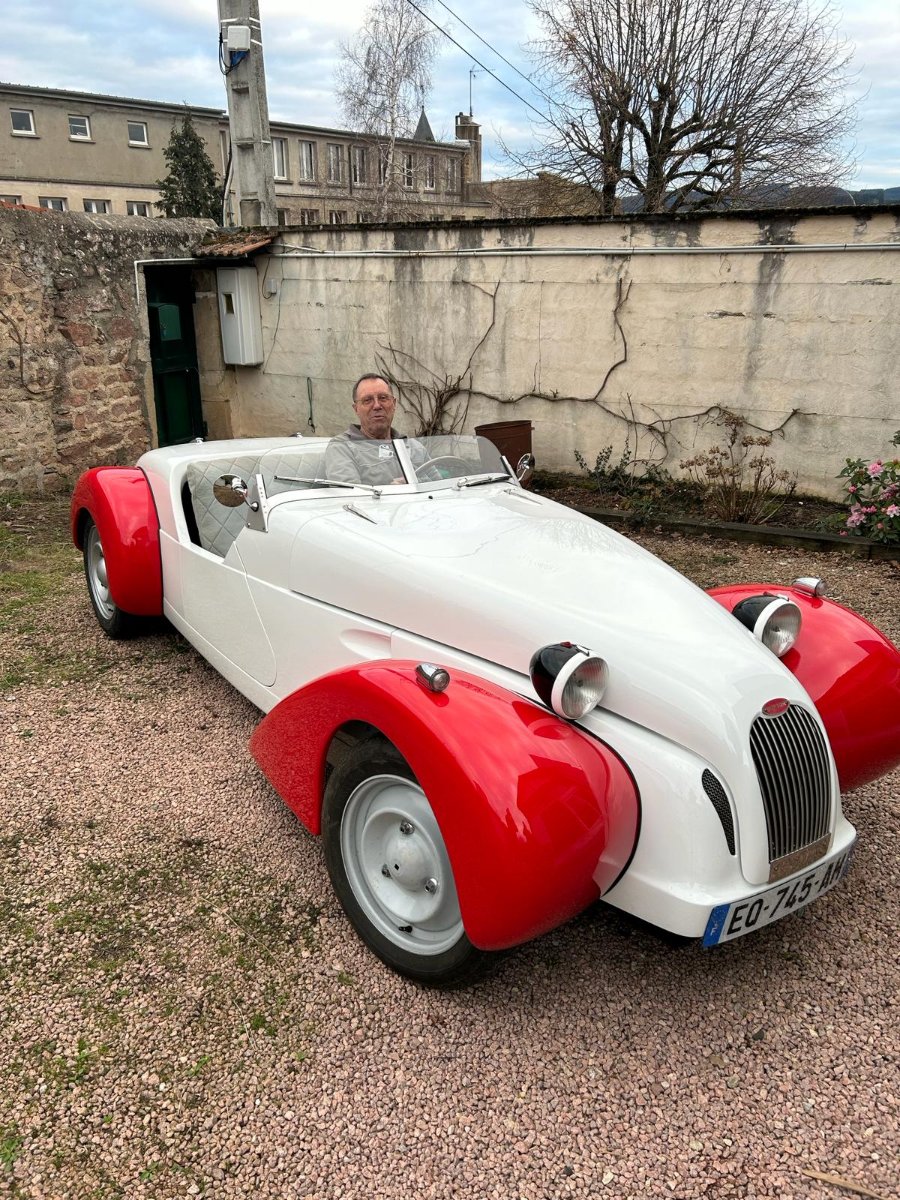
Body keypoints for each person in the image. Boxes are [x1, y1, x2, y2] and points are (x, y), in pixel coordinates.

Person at [324, 374, 430, 485]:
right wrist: (394, 490)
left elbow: (439, 485)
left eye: (383, 398)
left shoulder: (414, 447)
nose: (377, 406)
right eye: (367, 400)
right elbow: (350, 493)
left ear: (394, 403)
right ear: (356, 409)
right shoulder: (342, 447)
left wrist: (414, 483)